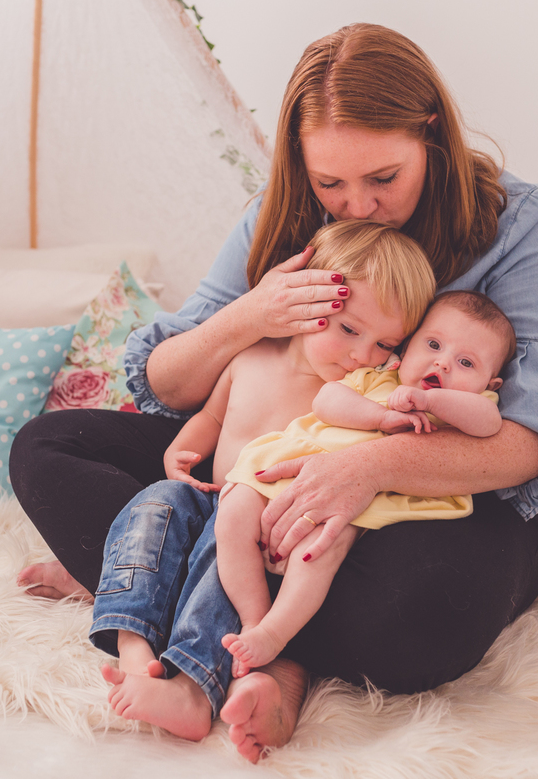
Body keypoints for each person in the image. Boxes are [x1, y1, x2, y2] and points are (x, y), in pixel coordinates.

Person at [10, 23, 538, 763]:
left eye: (383, 178)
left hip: (421, 500)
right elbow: (166, 384)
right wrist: (249, 316)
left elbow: (534, 443)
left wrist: (366, 470)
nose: (356, 206)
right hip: (253, 471)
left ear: (430, 134)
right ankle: (200, 586)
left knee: (433, 612)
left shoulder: (514, 225)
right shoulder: (284, 214)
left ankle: (231, 630)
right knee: (49, 444)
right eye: (331, 183)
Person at [87, 218, 437, 740]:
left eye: (387, 344)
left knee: (220, 544)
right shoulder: (251, 356)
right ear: (305, 305)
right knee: (153, 506)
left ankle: (193, 682)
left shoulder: (363, 390)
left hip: (266, 525)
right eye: (348, 330)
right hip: (212, 495)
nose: (364, 354)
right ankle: (132, 639)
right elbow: (210, 417)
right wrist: (183, 452)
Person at [219, 289, 515, 677]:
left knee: (321, 549)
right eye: (433, 344)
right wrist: (378, 416)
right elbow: (327, 400)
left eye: (465, 362)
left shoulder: (471, 406)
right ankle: (253, 616)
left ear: (489, 385)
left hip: (359, 503)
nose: (442, 363)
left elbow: (489, 425)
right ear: (406, 350)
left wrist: (433, 403)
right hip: (297, 467)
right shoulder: (377, 377)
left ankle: (275, 633)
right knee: (232, 513)